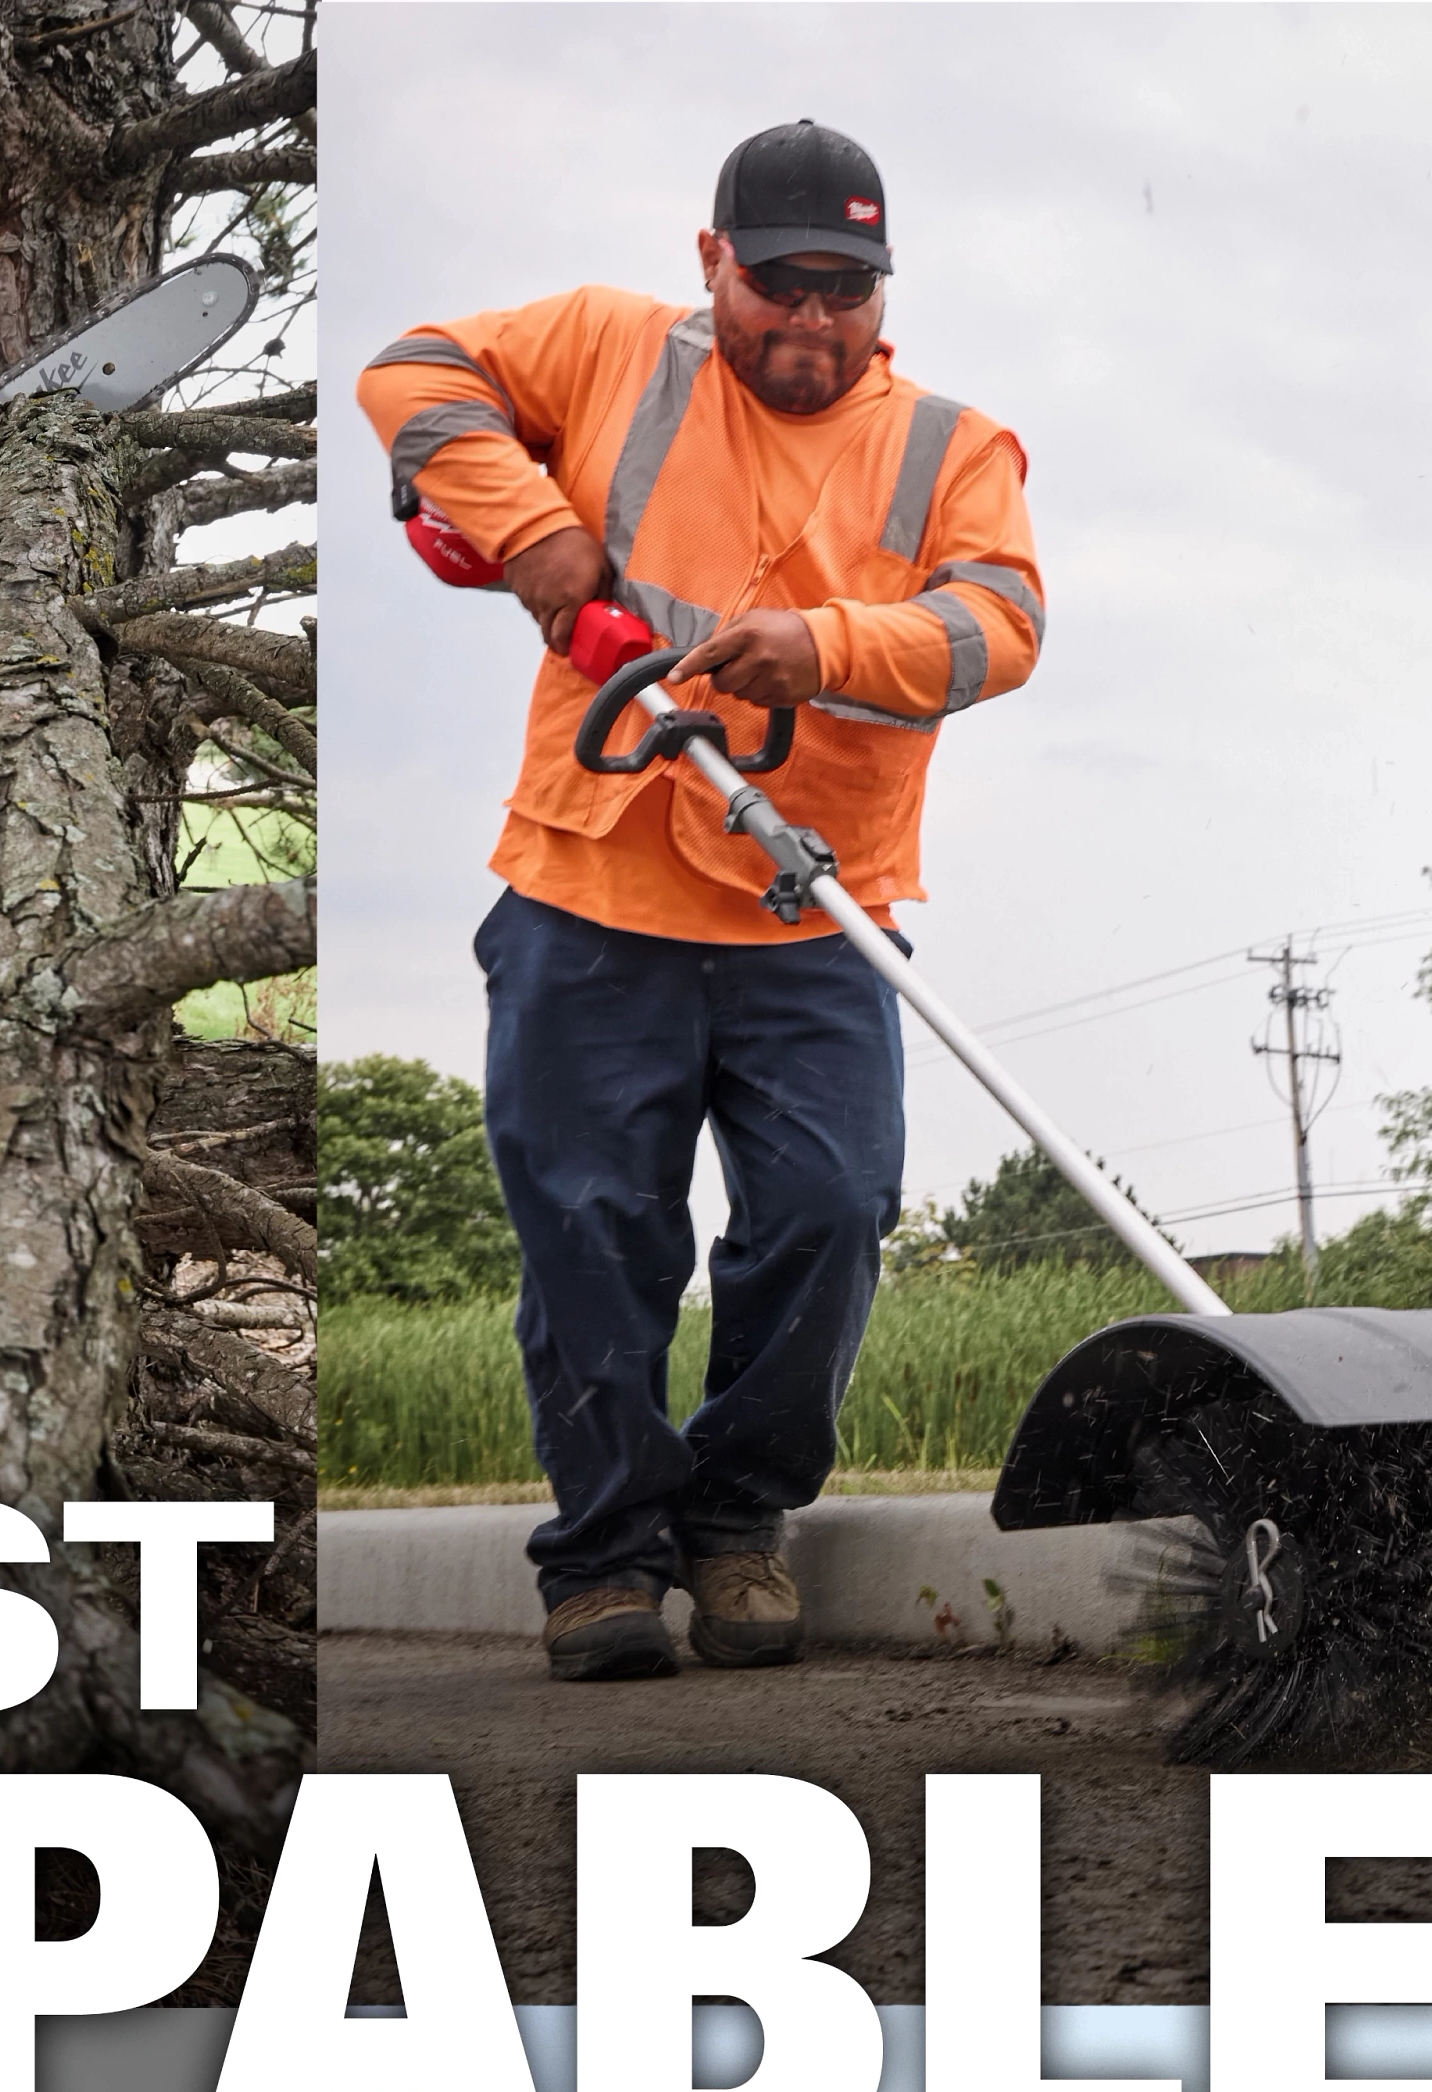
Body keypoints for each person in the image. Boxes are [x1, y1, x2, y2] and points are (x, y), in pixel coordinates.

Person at [359, 121, 1048, 1682]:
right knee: (593, 1234)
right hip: (591, 882)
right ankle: (603, 1562)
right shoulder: (611, 347)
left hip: (816, 910)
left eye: (846, 292)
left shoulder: (955, 449)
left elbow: (1000, 628)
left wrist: (827, 648)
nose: (809, 323)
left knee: (827, 1212)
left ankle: (737, 1526)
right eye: (780, 286)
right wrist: (535, 535)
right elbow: (409, 372)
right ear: (712, 263)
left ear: (887, 289)